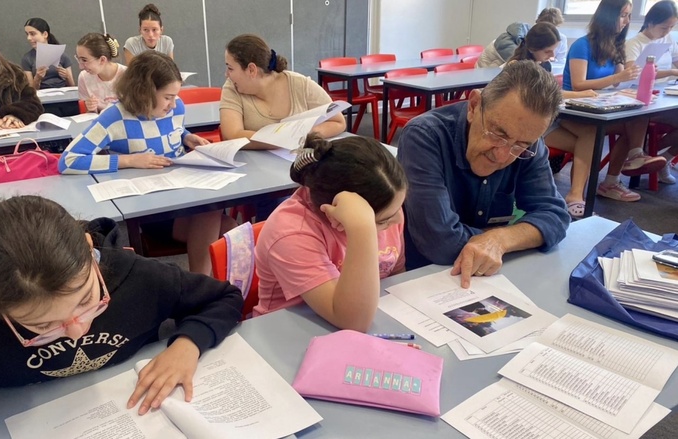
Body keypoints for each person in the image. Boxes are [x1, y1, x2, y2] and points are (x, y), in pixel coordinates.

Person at [0, 195, 243, 435]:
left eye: (87, 301)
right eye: (43, 325)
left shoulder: (139, 277)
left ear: (89, 249)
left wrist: (188, 344)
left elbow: (225, 298)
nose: (78, 331)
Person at [397, 61, 570, 287]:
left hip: (492, 276)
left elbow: (556, 217)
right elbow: (440, 243)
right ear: (474, 106)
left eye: (520, 145)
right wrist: (520, 234)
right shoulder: (425, 136)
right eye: (498, 134)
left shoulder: (529, 145)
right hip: (424, 277)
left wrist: (499, 239)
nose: (502, 155)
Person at [59, 51, 233, 275]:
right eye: (167, 97)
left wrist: (186, 136)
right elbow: (68, 161)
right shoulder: (115, 117)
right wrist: (129, 160)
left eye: (175, 96)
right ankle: (201, 283)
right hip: (154, 208)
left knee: (228, 225)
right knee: (212, 213)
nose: (174, 104)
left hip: (186, 192)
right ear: (144, 92)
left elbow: (171, 128)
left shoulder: (176, 108)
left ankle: (203, 284)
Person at [254, 135, 406, 331]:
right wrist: (362, 230)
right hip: (288, 332)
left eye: (399, 207)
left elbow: (396, 277)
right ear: (335, 214)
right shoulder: (291, 233)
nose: (398, 220)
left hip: (361, 322)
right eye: (383, 220)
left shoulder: (387, 211)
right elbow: (353, 321)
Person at [564, 0, 664, 202]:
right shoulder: (582, 45)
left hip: (598, 106)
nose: (627, 21)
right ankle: (632, 159)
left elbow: (619, 82)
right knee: (630, 124)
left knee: (636, 118)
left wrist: (633, 75)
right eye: (623, 15)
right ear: (608, 16)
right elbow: (578, 84)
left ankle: (614, 178)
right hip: (574, 110)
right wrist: (617, 78)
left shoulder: (615, 46)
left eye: (629, 16)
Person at [507, 23, 600, 218]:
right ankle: (574, 196)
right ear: (532, 48)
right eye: (548, 51)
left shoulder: (544, 65)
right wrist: (579, 94)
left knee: (590, 134)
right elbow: (539, 96)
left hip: (549, 117)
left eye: (554, 50)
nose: (552, 55)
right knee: (587, 145)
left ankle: (576, 195)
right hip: (529, 125)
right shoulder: (517, 67)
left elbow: (551, 94)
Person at [220, 34, 346, 146]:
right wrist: (282, 140)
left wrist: (304, 135)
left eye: (230, 68)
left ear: (251, 70)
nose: (226, 74)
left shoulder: (301, 84)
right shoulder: (232, 88)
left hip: (297, 161)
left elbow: (338, 122)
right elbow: (233, 134)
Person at [625, 0, 678, 184]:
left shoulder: (668, 40)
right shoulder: (634, 44)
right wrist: (671, 72)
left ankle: (661, 158)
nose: (667, 32)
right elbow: (634, 74)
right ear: (650, 22)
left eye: (671, 27)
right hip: (642, 101)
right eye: (664, 27)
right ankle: (647, 152)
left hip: (665, 96)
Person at [476, 8, 567, 68]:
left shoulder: (537, 57)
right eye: (547, 51)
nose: (553, 56)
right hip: (487, 70)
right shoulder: (513, 54)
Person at [76, 33, 127, 113]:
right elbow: (86, 114)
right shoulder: (84, 77)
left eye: (84, 60)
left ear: (102, 60)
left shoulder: (128, 75)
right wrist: (89, 107)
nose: (81, 66)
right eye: (79, 60)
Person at [22, 18, 75, 90]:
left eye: (32, 34)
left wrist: (67, 76)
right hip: (41, 95)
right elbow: (31, 91)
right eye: (27, 34)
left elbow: (72, 86)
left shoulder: (61, 55)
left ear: (45, 34)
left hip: (62, 93)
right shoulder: (27, 59)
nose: (28, 38)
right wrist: (37, 79)